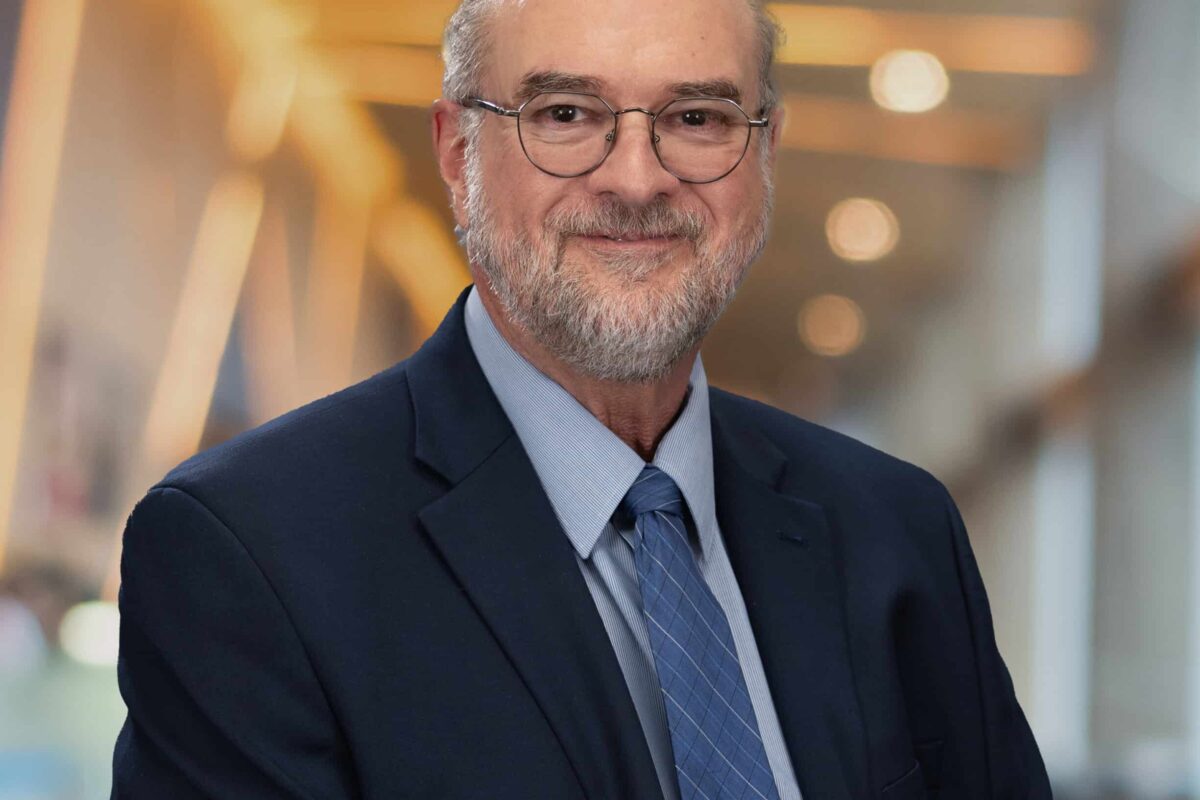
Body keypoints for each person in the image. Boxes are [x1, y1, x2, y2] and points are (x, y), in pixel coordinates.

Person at [109, 0, 1052, 797]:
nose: (636, 179)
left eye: (698, 118)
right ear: (456, 151)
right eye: (564, 113)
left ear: (765, 157)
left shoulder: (896, 529)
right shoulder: (247, 552)